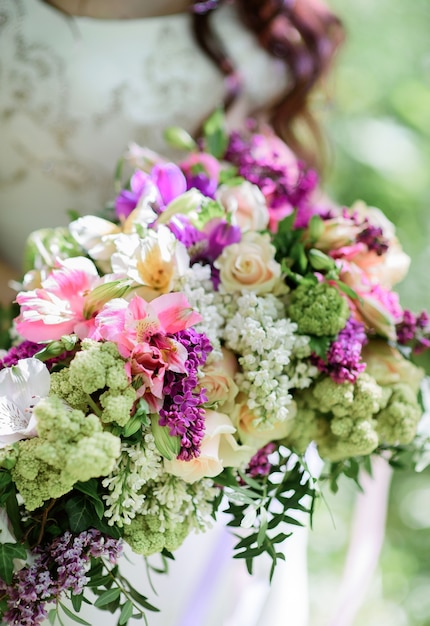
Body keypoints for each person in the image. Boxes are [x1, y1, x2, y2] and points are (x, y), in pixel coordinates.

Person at [0, 2, 387, 626]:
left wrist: (325, 281)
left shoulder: (261, 14)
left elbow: (284, 171)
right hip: (37, 377)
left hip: (230, 401)